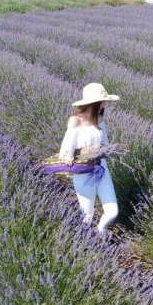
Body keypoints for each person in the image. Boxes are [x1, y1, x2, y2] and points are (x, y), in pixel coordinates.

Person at [58, 83, 120, 235]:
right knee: (87, 215)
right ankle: (83, 242)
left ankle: (100, 232)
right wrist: (68, 155)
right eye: (103, 101)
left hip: (101, 167)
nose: (105, 104)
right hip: (83, 171)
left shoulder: (99, 119)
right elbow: (67, 146)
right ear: (94, 103)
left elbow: (105, 143)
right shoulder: (76, 120)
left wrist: (107, 149)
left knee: (112, 211)